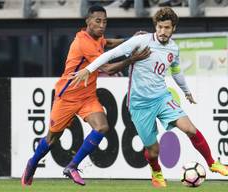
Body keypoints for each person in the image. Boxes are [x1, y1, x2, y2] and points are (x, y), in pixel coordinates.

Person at [70, 7, 228, 188]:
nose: (163, 32)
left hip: (162, 97)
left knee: (190, 129)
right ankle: (156, 171)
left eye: (167, 28)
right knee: (153, 151)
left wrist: (186, 91)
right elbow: (109, 54)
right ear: (156, 26)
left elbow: (176, 71)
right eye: (160, 27)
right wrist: (88, 69)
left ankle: (212, 163)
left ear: (173, 29)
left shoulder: (173, 48)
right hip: (140, 104)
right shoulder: (141, 41)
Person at [21, 5, 150, 187]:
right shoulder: (84, 43)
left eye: (105, 22)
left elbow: (109, 43)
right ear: (87, 21)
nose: (102, 25)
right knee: (51, 139)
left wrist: (130, 40)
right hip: (66, 98)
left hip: (87, 97)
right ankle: (32, 163)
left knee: (102, 127)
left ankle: (72, 166)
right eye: (98, 21)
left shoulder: (96, 38)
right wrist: (132, 59)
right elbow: (107, 68)